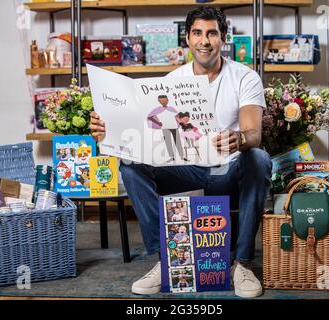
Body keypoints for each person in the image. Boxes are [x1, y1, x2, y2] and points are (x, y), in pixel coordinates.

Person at [90, 6, 272, 298]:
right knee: (131, 165)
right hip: (185, 170)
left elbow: (254, 133)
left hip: (228, 170)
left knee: (259, 158)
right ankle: (165, 261)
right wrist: (108, 132)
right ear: (187, 39)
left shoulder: (244, 77)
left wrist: (240, 137)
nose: (205, 41)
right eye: (197, 33)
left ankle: (243, 264)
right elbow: (149, 138)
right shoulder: (172, 81)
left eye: (212, 33)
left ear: (223, 38)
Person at [147, 95, 187, 162]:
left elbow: (177, 117)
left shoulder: (171, 108)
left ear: (168, 100)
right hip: (165, 128)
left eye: (165, 100)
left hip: (174, 127)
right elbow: (149, 117)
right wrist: (158, 123)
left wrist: (181, 123)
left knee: (178, 141)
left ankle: (182, 156)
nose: (164, 102)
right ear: (159, 101)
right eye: (162, 101)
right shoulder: (157, 109)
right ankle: (172, 157)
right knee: (168, 142)